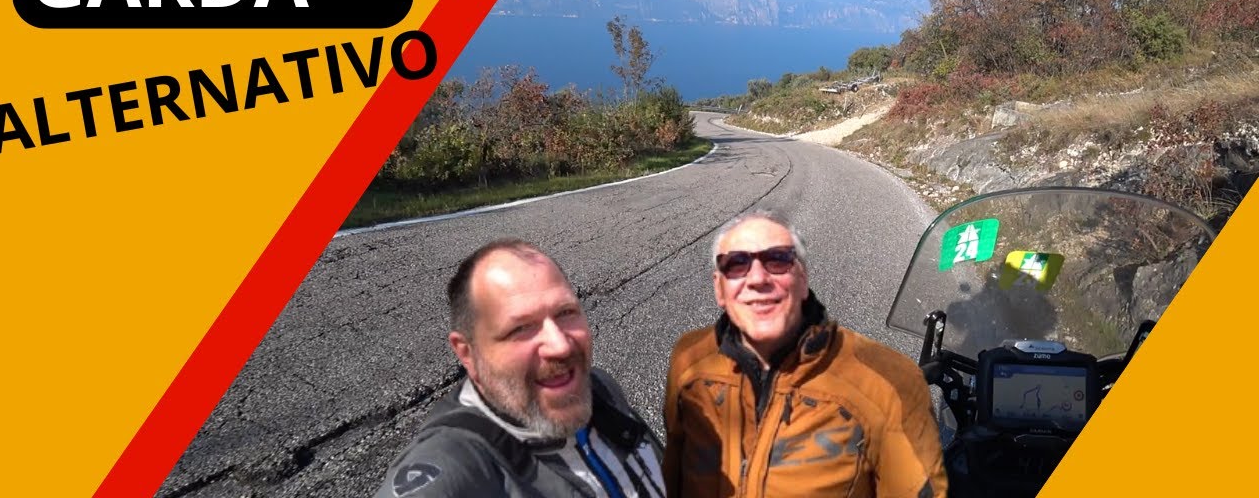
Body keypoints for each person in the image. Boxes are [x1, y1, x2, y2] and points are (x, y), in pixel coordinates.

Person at [662, 211, 947, 498]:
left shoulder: (890, 380)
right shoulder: (689, 357)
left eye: (777, 259)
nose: (758, 278)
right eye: (736, 264)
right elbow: (671, 473)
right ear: (719, 288)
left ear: (802, 279)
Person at [375, 238, 666, 498]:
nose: (560, 345)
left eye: (566, 312)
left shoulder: (600, 388)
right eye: (520, 328)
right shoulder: (458, 469)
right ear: (468, 353)